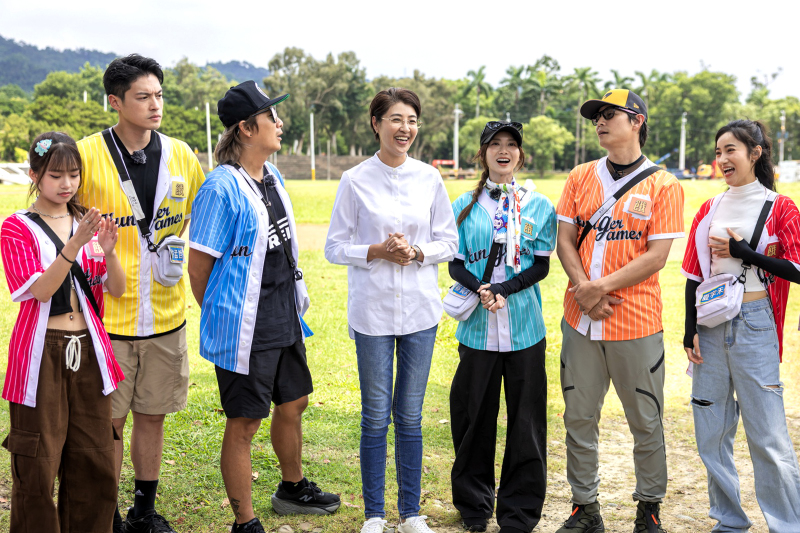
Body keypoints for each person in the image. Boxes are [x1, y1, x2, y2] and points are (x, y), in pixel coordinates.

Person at [187, 81, 341, 533]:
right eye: (271, 116)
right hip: (245, 325)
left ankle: (292, 488)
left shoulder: (272, 176)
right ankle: (245, 521)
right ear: (246, 129)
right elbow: (199, 268)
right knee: (245, 421)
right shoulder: (220, 188)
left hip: (283, 312)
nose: (280, 122)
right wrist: (224, 316)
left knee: (294, 402)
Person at [76, 54, 205, 533]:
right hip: (107, 318)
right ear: (115, 101)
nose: (155, 105)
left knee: (153, 416)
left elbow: (201, 215)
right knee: (108, 423)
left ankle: (144, 512)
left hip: (167, 315)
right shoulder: (86, 156)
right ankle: (106, 514)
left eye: (159, 95)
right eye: (143, 96)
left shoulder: (181, 154)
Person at [325, 88, 458, 533]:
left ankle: (411, 513)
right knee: (375, 416)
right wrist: (377, 251)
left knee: (411, 418)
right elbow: (334, 247)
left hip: (420, 312)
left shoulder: (430, 178)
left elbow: (449, 242)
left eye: (412, 120)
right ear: (376, 123)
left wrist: (417, 252)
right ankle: (375, 514)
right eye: (397, 119)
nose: (406, 128)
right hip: (373, 313)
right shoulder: (355, 179)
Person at [554, 89, 684, 533]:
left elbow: (657, 256)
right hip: (581, 320)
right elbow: (565, 240)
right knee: (578, 417)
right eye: (597, 117)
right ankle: (584, 509)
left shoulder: (663, 184)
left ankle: (649, 509)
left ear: (637, 121)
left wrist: (598, 288)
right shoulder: (580, 176)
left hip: (635, 322)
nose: (600, 122)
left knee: (646, 420)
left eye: (610, 115)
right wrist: (584, 291)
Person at [1, 132, 126, 532]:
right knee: (38, 462)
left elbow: (117, 288)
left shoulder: (88, 222)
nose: (67, 183)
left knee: (95, 457)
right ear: (35, 175)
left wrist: (108, 251)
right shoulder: (16, 227)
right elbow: (40, 291)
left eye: (73, 174)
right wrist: (75, 244)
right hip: (41, 352)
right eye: (56, 175)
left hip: (89, 349)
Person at [682, 119, 800, 532]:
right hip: (710, 326)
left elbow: (796, 268)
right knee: (711, 430)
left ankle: (788, 525)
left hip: (755, 323)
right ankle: (729, 521)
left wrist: (744, 253)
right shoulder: (709, 208)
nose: (722, 159)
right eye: (718, 152)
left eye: (730, 150)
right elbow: (693, 274)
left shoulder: (781, 207)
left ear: (755, 153)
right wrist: (689, 330)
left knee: (768, 436)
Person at [448, 121, 557, 533]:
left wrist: (504, 289)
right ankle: (474, 507)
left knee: (526, 422)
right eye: (495, 144)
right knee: (474, 418)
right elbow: (455, 263)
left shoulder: (539, 205)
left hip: (525, 328)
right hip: (478, 329)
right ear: (483, 153)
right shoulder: (463, 205)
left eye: (511, 144)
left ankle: (519, 513)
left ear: (520, 155)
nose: (504, 150)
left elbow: (542, 265)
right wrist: (482, 289)